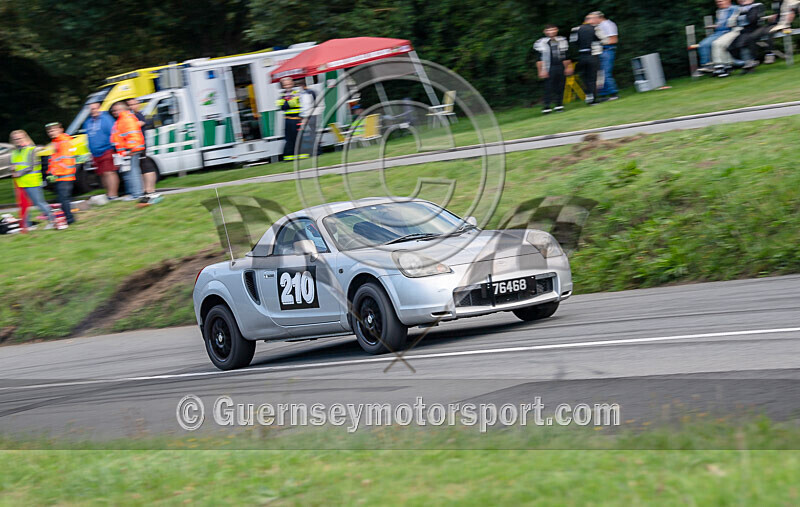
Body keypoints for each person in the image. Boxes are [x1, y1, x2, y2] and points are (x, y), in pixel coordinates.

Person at [9, 130, 56, 230]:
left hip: (32, 182)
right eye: (15, 139)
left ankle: (53, 220)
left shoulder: (32, 150)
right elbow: (14, 165)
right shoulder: (14, 153)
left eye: (20, 138)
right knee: (24, 205)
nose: (17, 140)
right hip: (20, 183)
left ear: (25, 138)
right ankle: (28, 225)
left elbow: (31, 166)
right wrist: (12, 169)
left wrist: (18, 173)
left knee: (39, 203)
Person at [126, 97, 160, 203]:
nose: (132, 107)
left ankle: (149, 190)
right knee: (143, 167)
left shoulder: (138, 115)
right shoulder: (135, 115)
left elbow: (137, 125)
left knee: (146, 167)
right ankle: (147, 190)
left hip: (140, 145)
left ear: (138, 104)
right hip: (139, 145)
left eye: (133, 104)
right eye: (129, 105)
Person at [109, 101, 145, 200]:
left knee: (133, 171)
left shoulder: (126, 119)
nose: (114, 112)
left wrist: (131, 150)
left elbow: (133, 135)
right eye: (113, 111)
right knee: (129, 172)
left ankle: (137, 194)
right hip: (127, 151)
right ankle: (134, 193)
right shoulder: (122, 119)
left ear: (122, 109)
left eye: (116, 110)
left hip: (131, 150)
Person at [83, 101, 119, 199]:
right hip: (95, 152)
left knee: (109, 172)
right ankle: (108, 193)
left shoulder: (106, 119)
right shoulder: (88, 121)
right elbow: (88, 136)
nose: (93, 111)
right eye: (91, 109)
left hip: (107, 149)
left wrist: (115, 148)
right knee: (102, 174)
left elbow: (114, 133)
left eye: (94, 108)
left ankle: (113, 195)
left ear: (99, 108)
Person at [534, 24, 572, 114]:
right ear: (545, 32)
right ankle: (547, 106)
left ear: (556, 30)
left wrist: (568, 67)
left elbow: (566, 55)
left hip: (560, 65)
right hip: (548, 66)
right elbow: (539, 59)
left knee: (561, 86)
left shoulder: (562, 41)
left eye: (553, 30)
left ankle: (559, 105)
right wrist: (541, 70)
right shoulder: (540, 43)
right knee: (548, 87)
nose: (551, 32)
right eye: (549, 30)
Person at [45, 122, 77, 226]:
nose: (51, 133)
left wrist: (55, 172)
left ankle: (69, 219)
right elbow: (55, 160)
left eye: (53, 130)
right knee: (63, 199)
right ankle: (68, 218)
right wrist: (51, 173)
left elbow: (66, 160)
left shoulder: (63, 142)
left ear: (61, 129)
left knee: (64, 199)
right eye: (49, 131)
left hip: (65, 175)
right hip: (60, 175)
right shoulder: (56, 142)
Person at [571, 13, 606, 105]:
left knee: (585, 77)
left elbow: (573, 42)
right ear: (591, 20)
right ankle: (593, 99)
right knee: (593, 78)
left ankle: (588, 95)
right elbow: (605, 40)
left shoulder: (575, 29)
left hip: (581, 55)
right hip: (593, 55)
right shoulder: (596, 28)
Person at [697, 0, 740, 72]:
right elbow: (720, 24)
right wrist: (714, 26)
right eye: (717, 2)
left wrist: (726, 25)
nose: (718, 3)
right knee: (703, 44)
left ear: (728, 0)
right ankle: (707, 65)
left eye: (720, 1)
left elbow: (733, 22)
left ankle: (725, 65)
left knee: (716, 44)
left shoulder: (735, 8)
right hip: (718, 32)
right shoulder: (719, 11)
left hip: (729, 32)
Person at [728, 0, 767, 71]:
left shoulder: (757, 6)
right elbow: (731, 23)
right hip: (744, 30)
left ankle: (751, 62)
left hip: (755, 28)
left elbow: (752, 19)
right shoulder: (739, 9)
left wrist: (746, 10)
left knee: (743, 42)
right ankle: (746, 64)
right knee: (732, 47)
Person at [593, 11, 619, 101]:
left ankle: (613, 93)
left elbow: (614, 40)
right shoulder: (599, 26)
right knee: (600, 74)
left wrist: (600, 43)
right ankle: (603, 95)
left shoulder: (608, 25)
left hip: (607, 50)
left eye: (593, 18)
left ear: (599, 17)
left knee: (605, 73)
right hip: (601, 51)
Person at [276, 77, 302, 161]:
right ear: (283, 86)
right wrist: (288, 102)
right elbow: (281, 106)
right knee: (288, 138)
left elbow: (292, 104)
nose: (288, 86)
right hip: (287, 120)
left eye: (289, 84)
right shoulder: (281, 95)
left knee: (298, 137)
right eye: (285, 85)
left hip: (296, 119)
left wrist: (286, 102)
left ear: (293, 84)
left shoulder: (296, 93)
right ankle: (289, 157)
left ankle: (299, 154)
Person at [299, 81, 322, 158]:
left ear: (302, 85)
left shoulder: (306, 93)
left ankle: (315, 151)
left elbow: (306, 106)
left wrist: (304, 116)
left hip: (309, 115)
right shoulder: (312, 92)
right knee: (312, 132)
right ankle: (316, 150)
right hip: (312, 114)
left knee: (311, 133)